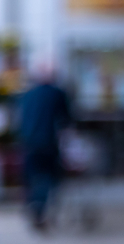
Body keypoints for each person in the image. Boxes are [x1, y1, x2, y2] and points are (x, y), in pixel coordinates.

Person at [18, 59, 71, 230]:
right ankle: (39, 210)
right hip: (47, 142)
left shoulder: (27, 94)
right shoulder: (56, 93)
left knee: (33, 177)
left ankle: (34, 205)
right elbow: (66, 118)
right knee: (48, 177)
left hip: (29, 142)